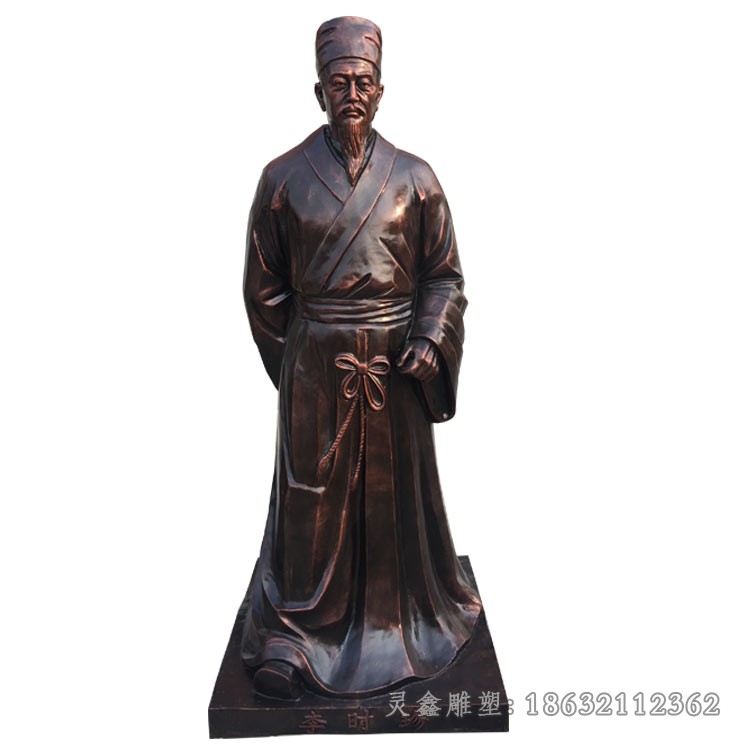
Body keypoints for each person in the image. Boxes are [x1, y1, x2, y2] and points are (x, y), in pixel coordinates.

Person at [240, 16, 482, 699]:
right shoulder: (283, 179)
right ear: (319, 92)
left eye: (363, 82)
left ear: (381, 91)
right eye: (340, 82)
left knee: (393, 499)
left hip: (396, 366)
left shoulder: (414, 178)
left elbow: (444, 276)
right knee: (310, 504)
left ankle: (402, 620)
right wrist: (302, 366)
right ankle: (294, 635)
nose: (352, 93)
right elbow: (264, 290)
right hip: (319, 369)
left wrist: (429, 337)